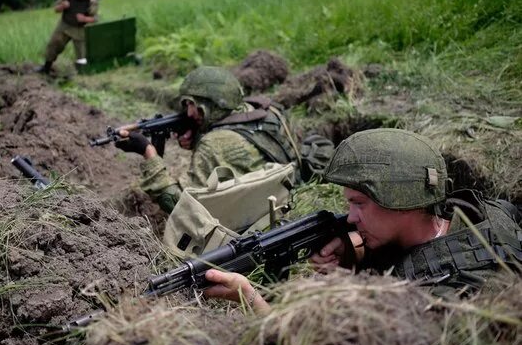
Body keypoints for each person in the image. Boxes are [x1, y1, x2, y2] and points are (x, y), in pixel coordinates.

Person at [203, 128, 521, 311]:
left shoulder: (445, 295)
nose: (351, 217)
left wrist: (253, 300)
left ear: (402, 201)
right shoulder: (474, 212)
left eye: (360, 203)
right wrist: (354, 254)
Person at [115, 66, 301, 214]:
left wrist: (148, 152)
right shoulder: (266, 111)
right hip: (289, 190)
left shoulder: (213, 144)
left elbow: (179, 205)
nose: (188, 113)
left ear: (211, 105)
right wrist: (198, 137)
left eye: (192, 104)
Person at [37, 0, 98, 74]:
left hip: (80, 28)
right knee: (53, 45)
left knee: (82, 56)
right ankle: (46, 68)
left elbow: (95, 18)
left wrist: (85, 18)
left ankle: (83, 74)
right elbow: (56, 9)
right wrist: (62, 6)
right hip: (65, 25)